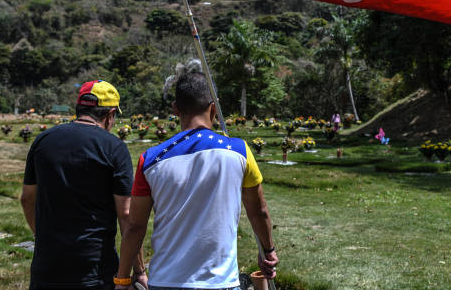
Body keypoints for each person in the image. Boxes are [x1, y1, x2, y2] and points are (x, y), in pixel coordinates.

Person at [113, 72, 278, 290]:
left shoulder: (150, 160)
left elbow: (135, 227)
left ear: (175, 109)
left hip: (165, 281)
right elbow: (259, 211)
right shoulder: (240, 151)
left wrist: (122, 280)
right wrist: (268, 250)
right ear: (214, 108)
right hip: (220, 283)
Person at [20, 80, 147, 290]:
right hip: (94, 268)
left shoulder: (43, 140)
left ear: (79, 108)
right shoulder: (114, 148)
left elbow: (27, 199)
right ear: (110, 114)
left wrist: (40, 236)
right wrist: (139, 272)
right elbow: (126, 215)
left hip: (47, 266)